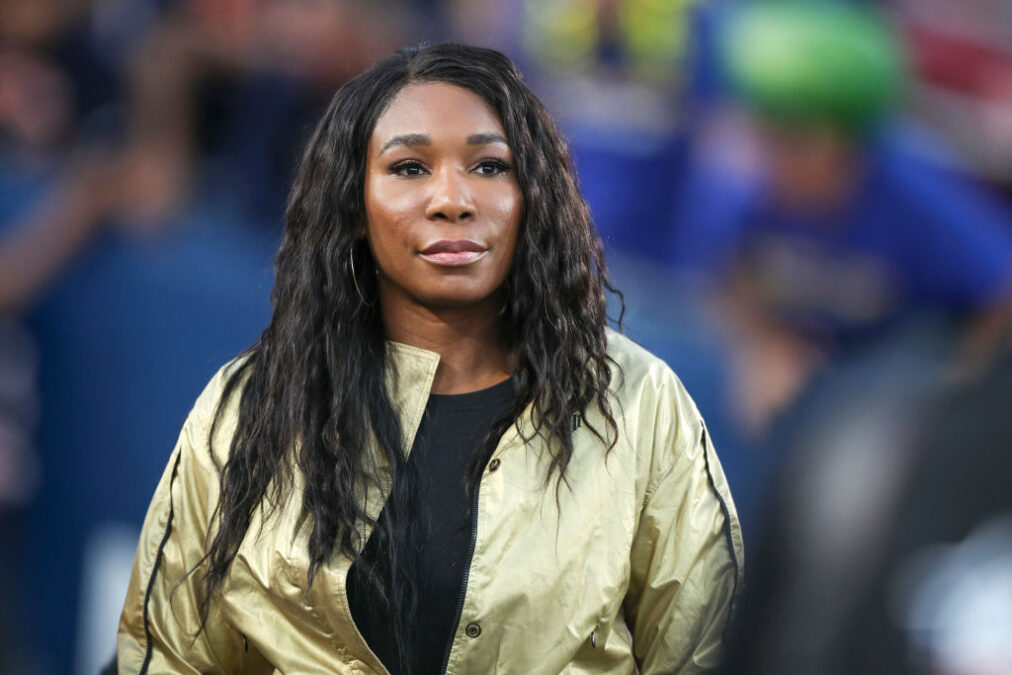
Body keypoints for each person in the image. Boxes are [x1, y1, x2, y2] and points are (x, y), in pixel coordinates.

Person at [116, 43, 742, 674]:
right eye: (410, 167)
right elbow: (168, 653)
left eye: (490, 166)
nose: (452, 200)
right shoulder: (255, 401)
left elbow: (702, 650)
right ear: (353, 205)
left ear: (534, 195)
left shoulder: (637, 400)